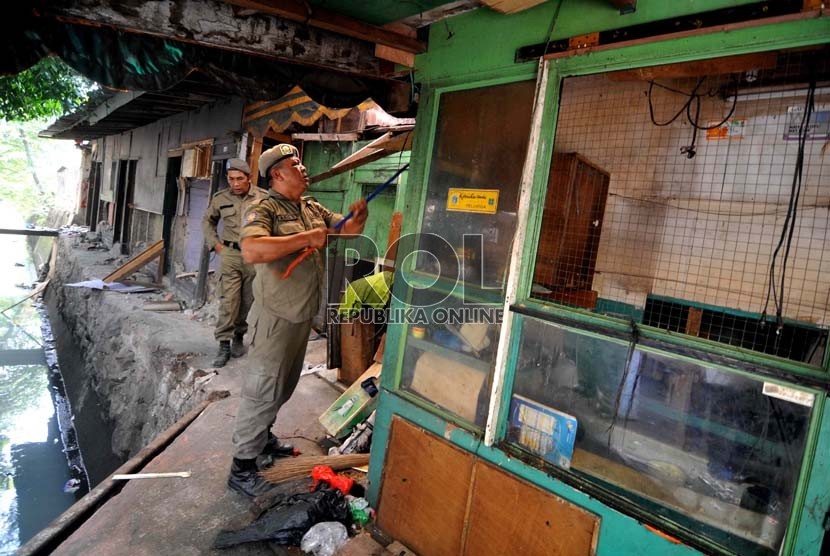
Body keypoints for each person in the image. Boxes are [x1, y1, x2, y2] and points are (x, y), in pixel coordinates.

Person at [227, 144, 368, 497]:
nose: (303, 168)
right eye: (296, 164)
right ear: (277, 174)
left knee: (284, 386)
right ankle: (242, 467)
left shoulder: (310, 207)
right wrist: (305, 238)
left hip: (301, 315)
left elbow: (345, 231)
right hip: (274, 317)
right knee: (263, 389)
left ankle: (262, 441)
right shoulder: (264, 207)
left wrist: (359, 216)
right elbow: (252, 250)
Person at [201, 158, 267, 368]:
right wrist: (216, 245)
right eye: (231, 179)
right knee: (229, 300)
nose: (235, 184)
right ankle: (224, 345)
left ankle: (239, 335)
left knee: (248, 300)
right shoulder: (220, 198)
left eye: (240, 179)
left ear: (249, 178)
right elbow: (207, 221)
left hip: (254, 256)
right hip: (230, 254)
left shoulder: (263, 198)